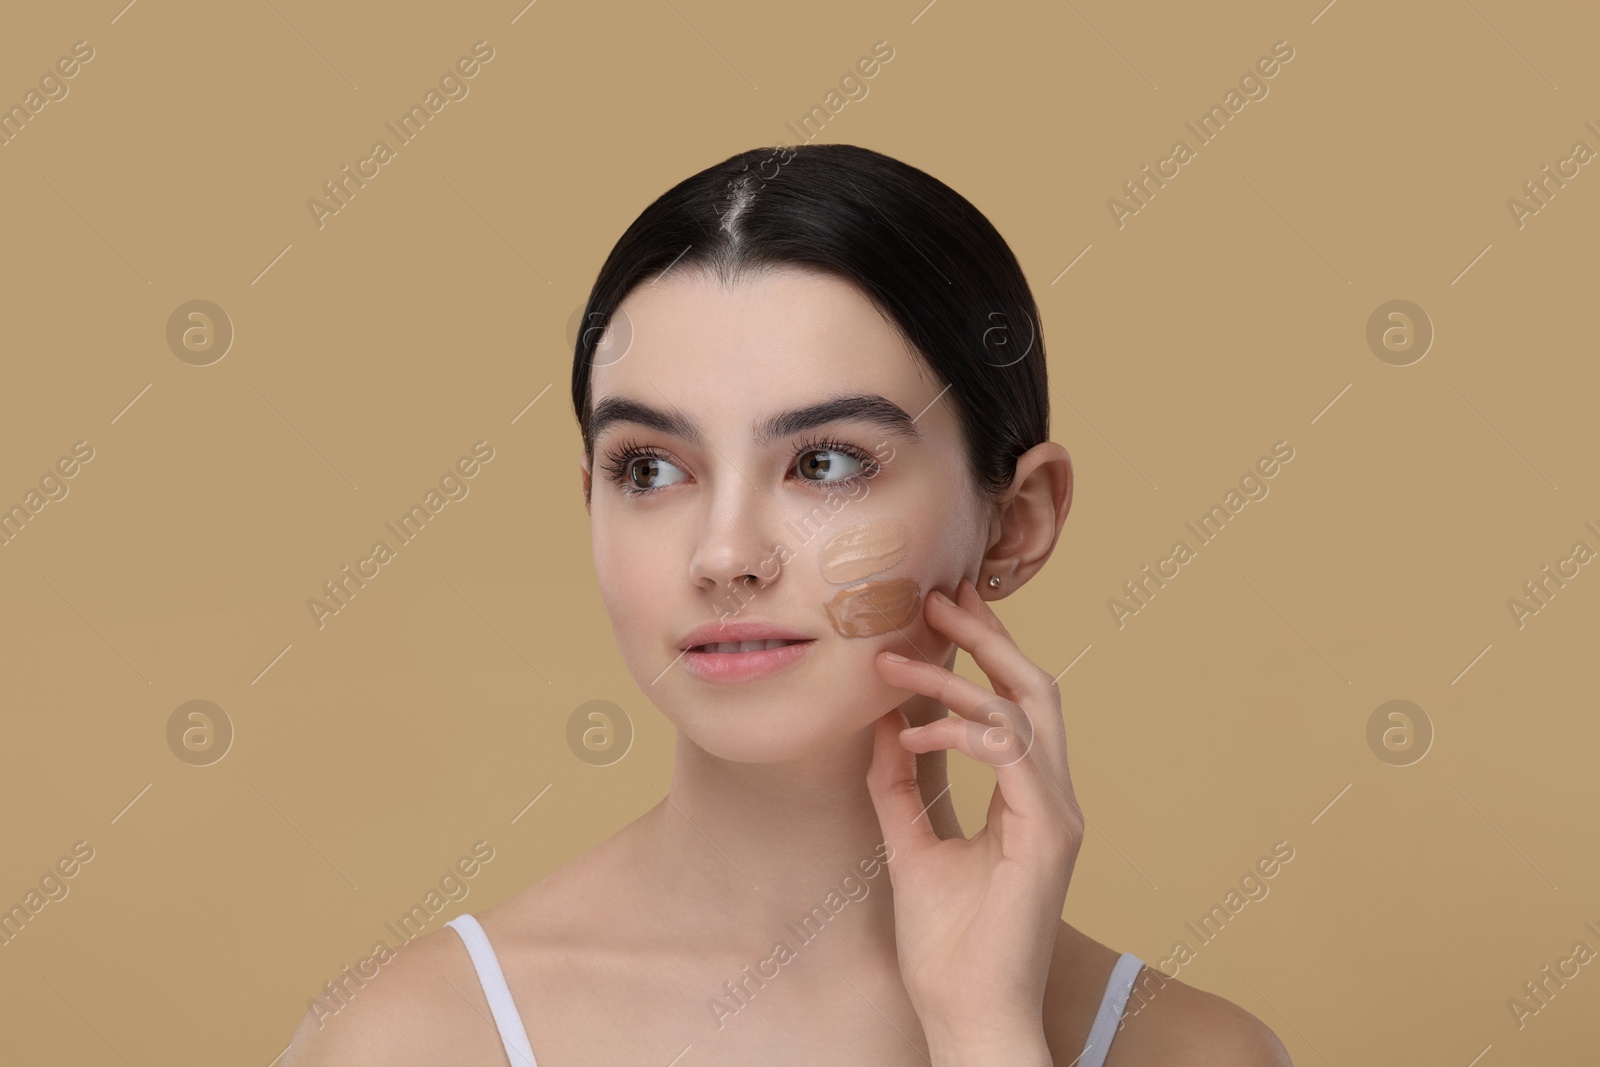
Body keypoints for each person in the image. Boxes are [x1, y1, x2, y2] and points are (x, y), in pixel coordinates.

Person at [284, 143, 1292, 1065]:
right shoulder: (417, 1036)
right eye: (649, 468)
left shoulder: (1193, 1051)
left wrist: (981, 1029)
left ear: (1016, 520)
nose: (724, 555)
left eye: (824, 461)